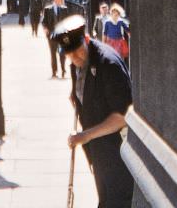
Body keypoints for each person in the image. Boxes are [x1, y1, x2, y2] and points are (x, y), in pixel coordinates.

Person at [53, 14, 134, 208]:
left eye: (78, 51)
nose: (75, 58)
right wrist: (76, 97)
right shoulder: (77, 64)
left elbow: (122, 116)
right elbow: (83, 91)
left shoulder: (108, 63)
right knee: (105, 200)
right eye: (70, 55)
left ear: (87, 39)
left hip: (117, 152)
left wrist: (85, 136)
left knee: (117, 202)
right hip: (98, 152)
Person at [41, 0, 70, 77]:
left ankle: (63, 70)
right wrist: (45, 28)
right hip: (51, 34)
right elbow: (43, 21)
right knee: (53, 53)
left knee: (62, 53)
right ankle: (54, 72)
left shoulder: (64, 9)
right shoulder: (47, 9)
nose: (61, 0)